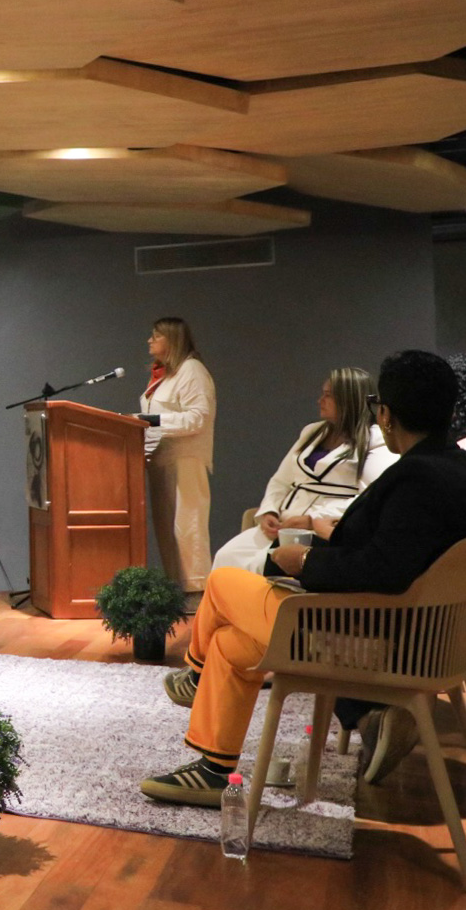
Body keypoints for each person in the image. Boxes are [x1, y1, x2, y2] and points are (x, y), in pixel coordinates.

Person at [142, 351, 466, 805]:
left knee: (222, 582)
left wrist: (304, 563)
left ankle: (194, 677)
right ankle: (214, 768)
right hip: (420, 639)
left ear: (386, 415)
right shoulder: (453, 470)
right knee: (232, 646)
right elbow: (396, 558)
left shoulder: (416, 479)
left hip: (366, 639)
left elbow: (384, 570)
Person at [212, 369, 395, 574]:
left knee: (259, 565)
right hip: (285, 523)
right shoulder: (311, 432)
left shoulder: (374, 440)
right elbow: (281, 480)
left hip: (321, 530)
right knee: (225, 557)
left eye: (327, 395)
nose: (320, 400)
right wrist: (269, 511)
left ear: (348, 399)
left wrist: (312, 520)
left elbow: (368, 499)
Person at [141, 317, 217, 600]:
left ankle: (196, 594)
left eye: (156, 336)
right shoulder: (165, 375)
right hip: (161, 461)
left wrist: (151, 420)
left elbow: (198, 418)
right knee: (168, 531)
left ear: (172, 340)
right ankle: (177, 592)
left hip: (184, 460)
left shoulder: (192, 371)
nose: (150, 341)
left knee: (187, 528)